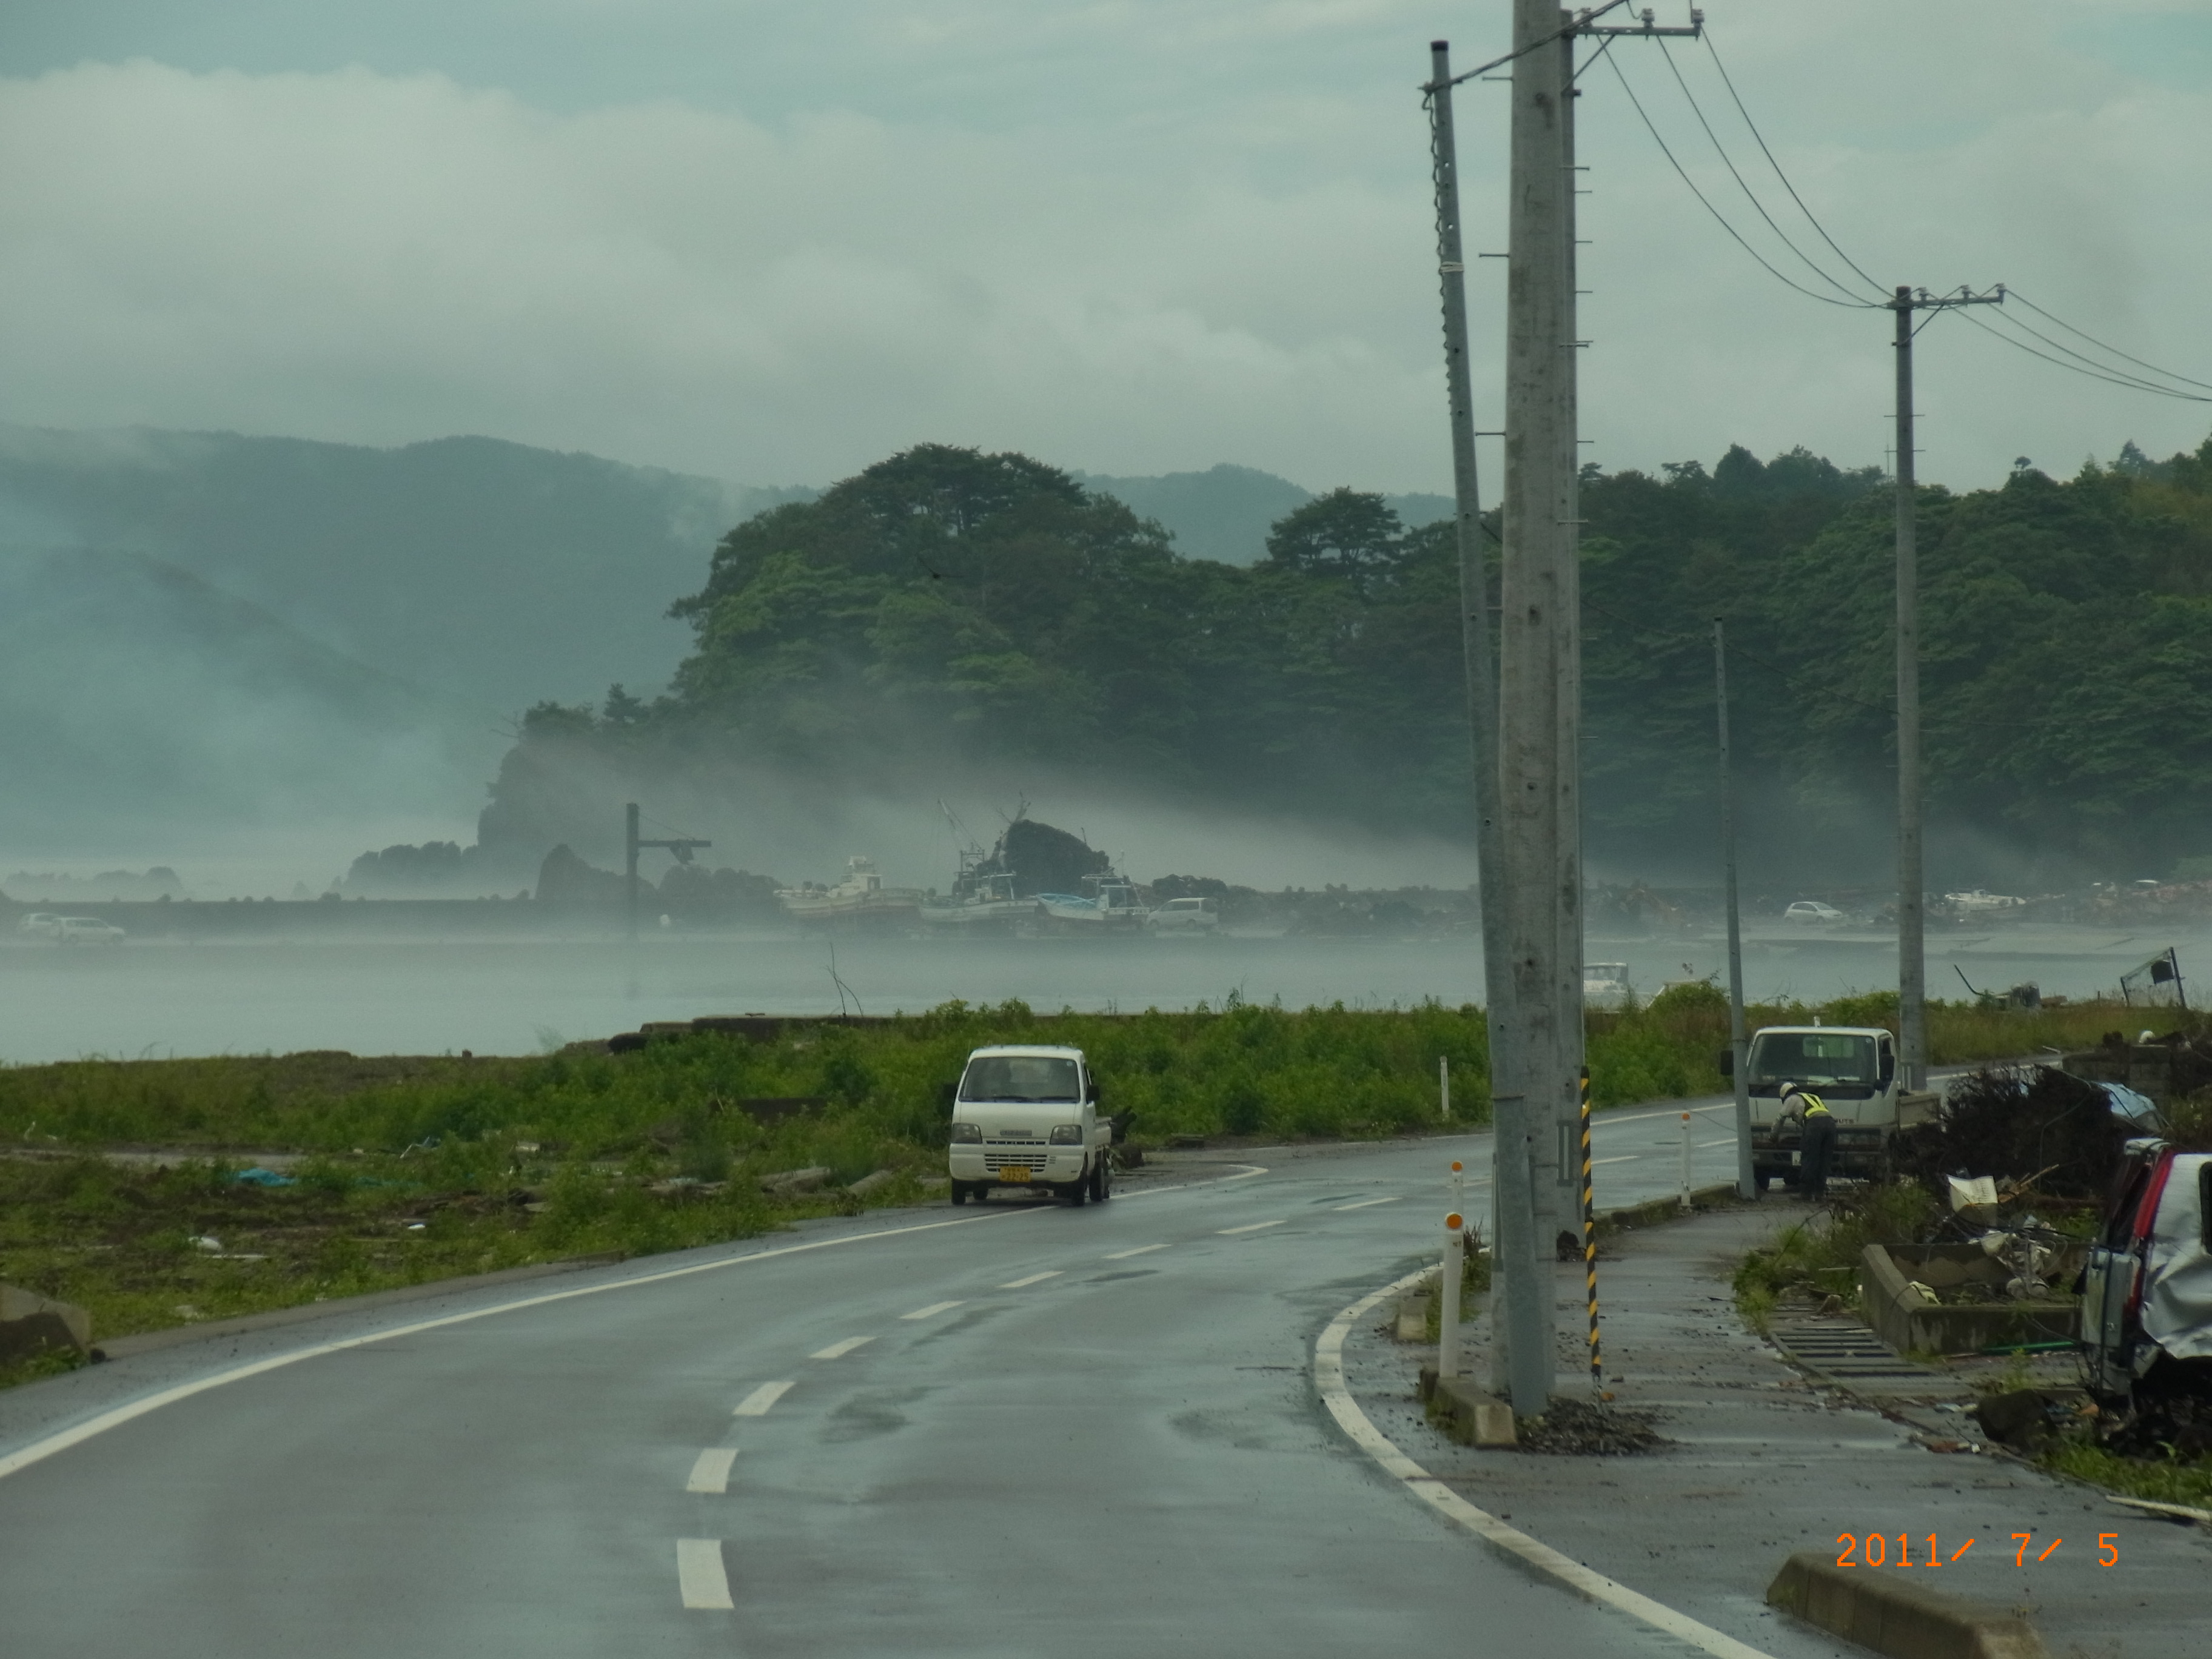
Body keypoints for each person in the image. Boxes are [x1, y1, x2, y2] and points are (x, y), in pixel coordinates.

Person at [1778, 1080, 1838, 1201]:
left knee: (1809, 1158)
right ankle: (1819, 1193)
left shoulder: (1792, 1099)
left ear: (1785, 1095)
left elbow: (1780, 1119)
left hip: (1814, 1125)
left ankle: (1806, 1194)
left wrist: (1773, 1137)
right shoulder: (1813, 1097)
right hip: (1831, 1125)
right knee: (1824, 1160)